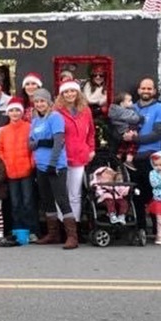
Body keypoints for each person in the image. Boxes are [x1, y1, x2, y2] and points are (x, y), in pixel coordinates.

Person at [29, 88, 76, 249]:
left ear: (48, 102)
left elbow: (58, 143)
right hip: (40, 166)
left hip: (55, 166)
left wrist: (53, 163)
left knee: (61, 199)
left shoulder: (55, 117)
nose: (39, 104)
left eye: (42, 101)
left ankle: (72, 236)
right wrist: (42, 142)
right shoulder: (35, 121)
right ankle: (53, 234)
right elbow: (30, 143)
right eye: (36, 101)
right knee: (47, 200)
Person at [128, 77, 161, 237]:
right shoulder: (131, 108)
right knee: (137, 195)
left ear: (154, 91)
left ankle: (158, 228)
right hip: (133, 159)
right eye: (143, 88)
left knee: (155, 194)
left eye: (149, 88)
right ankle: (140, 227)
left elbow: (157, 134)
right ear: (139, 90)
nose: (146, 91)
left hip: (152, 159)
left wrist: (134, 139)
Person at [54, 78, 95, 226]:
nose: (70, 94)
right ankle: (61, 224)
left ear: (77, 92)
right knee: (61, 194)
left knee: (75, 194)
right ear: (62, 94)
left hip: (79, 156)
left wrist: (91, 149)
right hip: (61, 157)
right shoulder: (56, 111)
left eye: (72, 91)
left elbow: (91, 132)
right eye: (66, 92)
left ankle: (74, 224)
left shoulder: (86, 110)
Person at [0, 98, 36, 238]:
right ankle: (18, 230)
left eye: (17, 110)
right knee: (15, 202)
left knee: (28, 201)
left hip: (26, 170)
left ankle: (32, 230)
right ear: (8, 113)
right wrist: (5, 162)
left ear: (22, 112)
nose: (14, 113)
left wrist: (32, 163)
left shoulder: (29, 127)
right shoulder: (4, 131)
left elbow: (33, 146)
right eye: (12, 110)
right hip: (11, 171)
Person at [108, 92, 143, 165]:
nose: (132, 103)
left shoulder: (113, 110)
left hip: (120, 130)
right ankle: (129, 160)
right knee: (133, 143)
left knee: (124, 145)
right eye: (129, 101)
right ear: (122, 103)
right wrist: (140, 118)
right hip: (126, 129)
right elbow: (134, 118)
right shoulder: (123, 111)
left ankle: (118, 156)